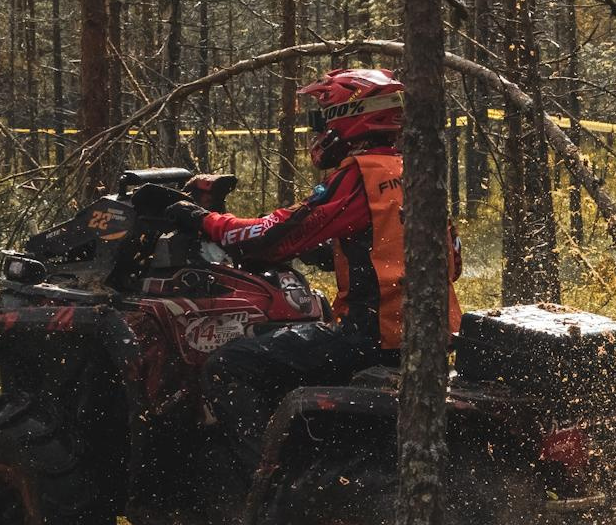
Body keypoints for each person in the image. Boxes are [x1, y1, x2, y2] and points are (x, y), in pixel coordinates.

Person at [167, 67, 461, 478]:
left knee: (228, 365)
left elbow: (276, 235)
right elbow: (449, 259)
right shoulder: (414, 171)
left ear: (349, 117)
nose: (317, 130)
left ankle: (266, 487)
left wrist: (203, 219)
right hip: (428, 340)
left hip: (370, 339)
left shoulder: (361, 172)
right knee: (276, 343)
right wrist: (330, 251)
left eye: (321, 119)